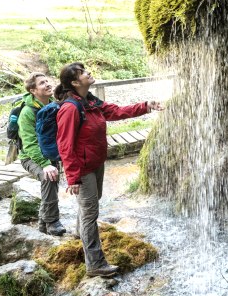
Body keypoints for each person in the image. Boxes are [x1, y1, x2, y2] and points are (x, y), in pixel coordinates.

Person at [54, 62, 163, 278]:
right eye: (84, 72)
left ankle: (79, 234)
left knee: (92, 204)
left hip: (96, 162)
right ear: (75, 82)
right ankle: (95, 263)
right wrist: (73, 178)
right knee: (89, 213)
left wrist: (146, 105)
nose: (89, 72)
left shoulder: (90, 101)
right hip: (83, 169)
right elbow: (64, 145)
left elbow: (116, 111)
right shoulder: (70, 108)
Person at [18, 72, 66, 236]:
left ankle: (42, 226)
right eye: (41, 83)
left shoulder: (53, 104)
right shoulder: (27, 112)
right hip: (30, 157)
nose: (47, 84)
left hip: (50, 153)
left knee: (51, 181)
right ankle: (52, 222)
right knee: (49, 177)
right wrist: (45, 164)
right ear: (33, 90)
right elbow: (29, 144)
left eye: (47, 81)